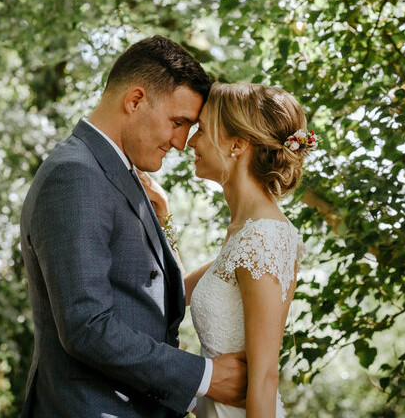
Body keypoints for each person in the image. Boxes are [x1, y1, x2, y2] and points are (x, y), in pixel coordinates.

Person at [19, 36, 248, 418]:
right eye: (178, 123)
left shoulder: (118, 174)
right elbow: (86, 326)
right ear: (135, 100)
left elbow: (148, 295)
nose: (179, 143)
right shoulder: (76, 175)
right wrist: (204, 377)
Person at [142, 83, 311, 417]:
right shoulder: (244, 234)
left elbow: (264, 377)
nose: (190, 141)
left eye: (202, 130)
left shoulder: (264, 238)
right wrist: (163, 217)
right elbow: (176, 291)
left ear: (237, 145)